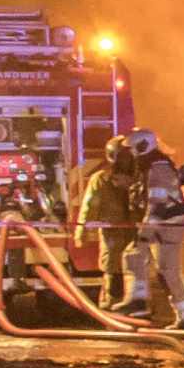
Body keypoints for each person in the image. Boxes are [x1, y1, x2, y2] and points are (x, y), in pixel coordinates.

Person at [131, 131, 184, 328]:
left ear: (142, 147)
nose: (132, 153)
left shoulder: (158, 169)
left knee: (169, 271)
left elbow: (157, 204)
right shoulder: (155, 166)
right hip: (167, 223)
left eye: (133, 148)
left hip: (170, 224)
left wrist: (146, 231)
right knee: (165, 270)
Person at [74, 133, 142, 312]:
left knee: (134, 267)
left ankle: (134, 304)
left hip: (134, 231)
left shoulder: (140, 178)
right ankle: (110, 304)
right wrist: (81, 231)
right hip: (112, 232)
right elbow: (89, 206)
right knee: (112, 267)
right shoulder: (101, 179)